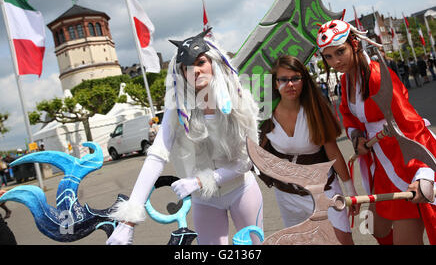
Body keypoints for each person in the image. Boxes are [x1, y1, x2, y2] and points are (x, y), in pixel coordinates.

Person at [106, 29, 263, 245]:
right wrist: (127, 221)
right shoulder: (178, 109)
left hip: (241, 191)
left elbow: (249, 159)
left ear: (213, 63)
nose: (195, 71)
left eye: (201, 62)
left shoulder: (238, 99)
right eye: (187, 67)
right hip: (204, 201)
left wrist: (202, 180)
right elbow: (156, 156)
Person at [317, 19, 436, 245]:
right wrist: (356, 137)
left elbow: (412, 124)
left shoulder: (377, 75)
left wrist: (424, 173)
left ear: (354, 44)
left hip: (405, 162)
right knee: (372, 225)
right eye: (329, 56)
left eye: (340, 52)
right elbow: (348, 114)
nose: (336, 61)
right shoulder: (346, 80)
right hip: (380, 165)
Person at [257, 55, 358, 245]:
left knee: (343, 240)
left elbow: (333, 152)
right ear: (275, 83)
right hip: (287, 195)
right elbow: (252, 153)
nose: (290, 84)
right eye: (283, 80)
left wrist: (351, 191)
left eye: (295, 78)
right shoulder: (265, 115)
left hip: (324, 191)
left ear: (303, 80)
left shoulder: (314, 110)